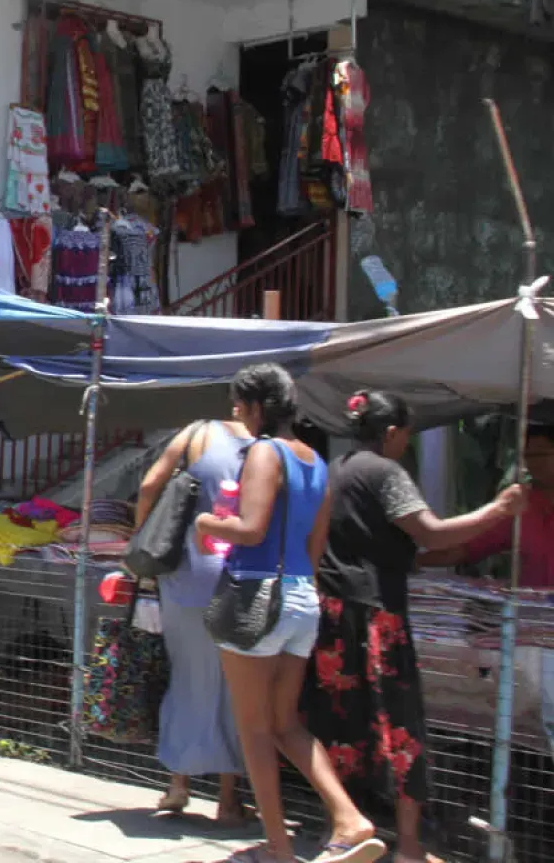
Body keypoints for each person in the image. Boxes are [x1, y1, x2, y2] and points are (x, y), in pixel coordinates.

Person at [304, 391, 523, 863]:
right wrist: (498, 510)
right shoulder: (385, 473)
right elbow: (430, 531)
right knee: (399, 728)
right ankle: (408, 848)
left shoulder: (335, 470)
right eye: (405, 433)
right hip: (377, 615)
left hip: (333, 614)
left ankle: (340, 832)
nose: (406, 442)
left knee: (339, 724)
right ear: (390, 432)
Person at [193, 365, 385, 863]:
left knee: (254, 731)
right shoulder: (316, 461)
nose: (236, 413)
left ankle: (278, 851)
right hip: (301, 597)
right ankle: (349, 817)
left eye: (240, 404)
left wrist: (207, 520)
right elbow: (315, 546)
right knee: (284, 726)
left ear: (259, 407)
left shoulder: (263, 452)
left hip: (258, 596)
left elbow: (252, 529)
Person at [135, 418, 251, 826]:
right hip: (241, 577)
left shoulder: (198, 431)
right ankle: (228, 800)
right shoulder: (271, 445)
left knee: (186, 677)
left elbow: (151, 485)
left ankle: (178, 783)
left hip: (186, 576)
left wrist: (142, 542)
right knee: (235, 688)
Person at [455, 421, 554, 588]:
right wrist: (414, 560)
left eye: (540, 454)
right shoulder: (520, 503)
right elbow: (472, 546)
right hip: (533, 610)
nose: (532, 463)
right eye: (527, 456)